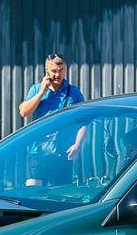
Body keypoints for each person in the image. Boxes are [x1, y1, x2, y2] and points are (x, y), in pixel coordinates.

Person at [18, 54, 87, 186]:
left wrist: (77, 144)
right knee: (33, 189)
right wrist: (42, 92)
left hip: (63, 151)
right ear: (47, 71)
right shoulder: (36, 89)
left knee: (60, 191)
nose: (57, 75)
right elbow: (24, 112)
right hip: (38, 150)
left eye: (61, 71)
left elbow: (83, 121)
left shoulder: (73, 92)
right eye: (54, 71)